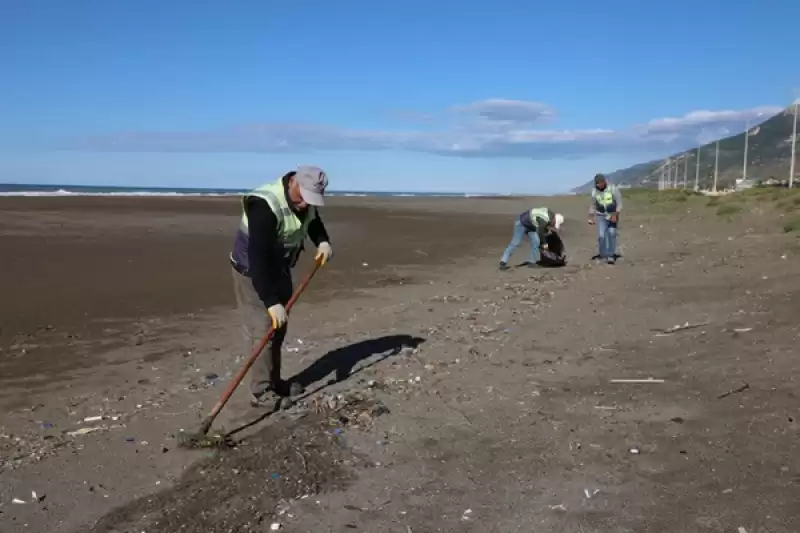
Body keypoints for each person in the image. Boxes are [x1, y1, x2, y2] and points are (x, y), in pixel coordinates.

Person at [229, 166, 334, 409]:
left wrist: (322, 241)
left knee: (280, 327)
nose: (307, 205)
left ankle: (274, 382)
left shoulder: (304, 201)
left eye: (312, 200)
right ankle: (261, 391)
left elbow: (313, 221)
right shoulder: (264, 206)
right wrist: (270, 301)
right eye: (304, 198)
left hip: (280, 268)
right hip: (251, 272)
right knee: (264, 330)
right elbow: (258, 259)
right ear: (294, 184)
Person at [499, 207, 564, 270]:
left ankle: (532, 262)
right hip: (521, 223)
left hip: (531, 225)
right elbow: (541, 233)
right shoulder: (544, 219)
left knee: (536, 241)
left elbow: (541, 226)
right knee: (515, 243)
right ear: (554, 219)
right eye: (554, 224)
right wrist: (545, 247)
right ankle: (503, 262)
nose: (553, 225)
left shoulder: (550, 215)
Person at [588, 173, 623, 264]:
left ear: (605, 181)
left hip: (612, 214)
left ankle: (611, 255)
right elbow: (593, 205)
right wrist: (591, 216)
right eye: (598, 183)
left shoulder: (612, 188)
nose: (600, 185)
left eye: (601, 182)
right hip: (600, 215)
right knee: (601, 236)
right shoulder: (594, 192)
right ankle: (603, 254)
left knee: (612, 233)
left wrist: (615, 214)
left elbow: (619, 203)